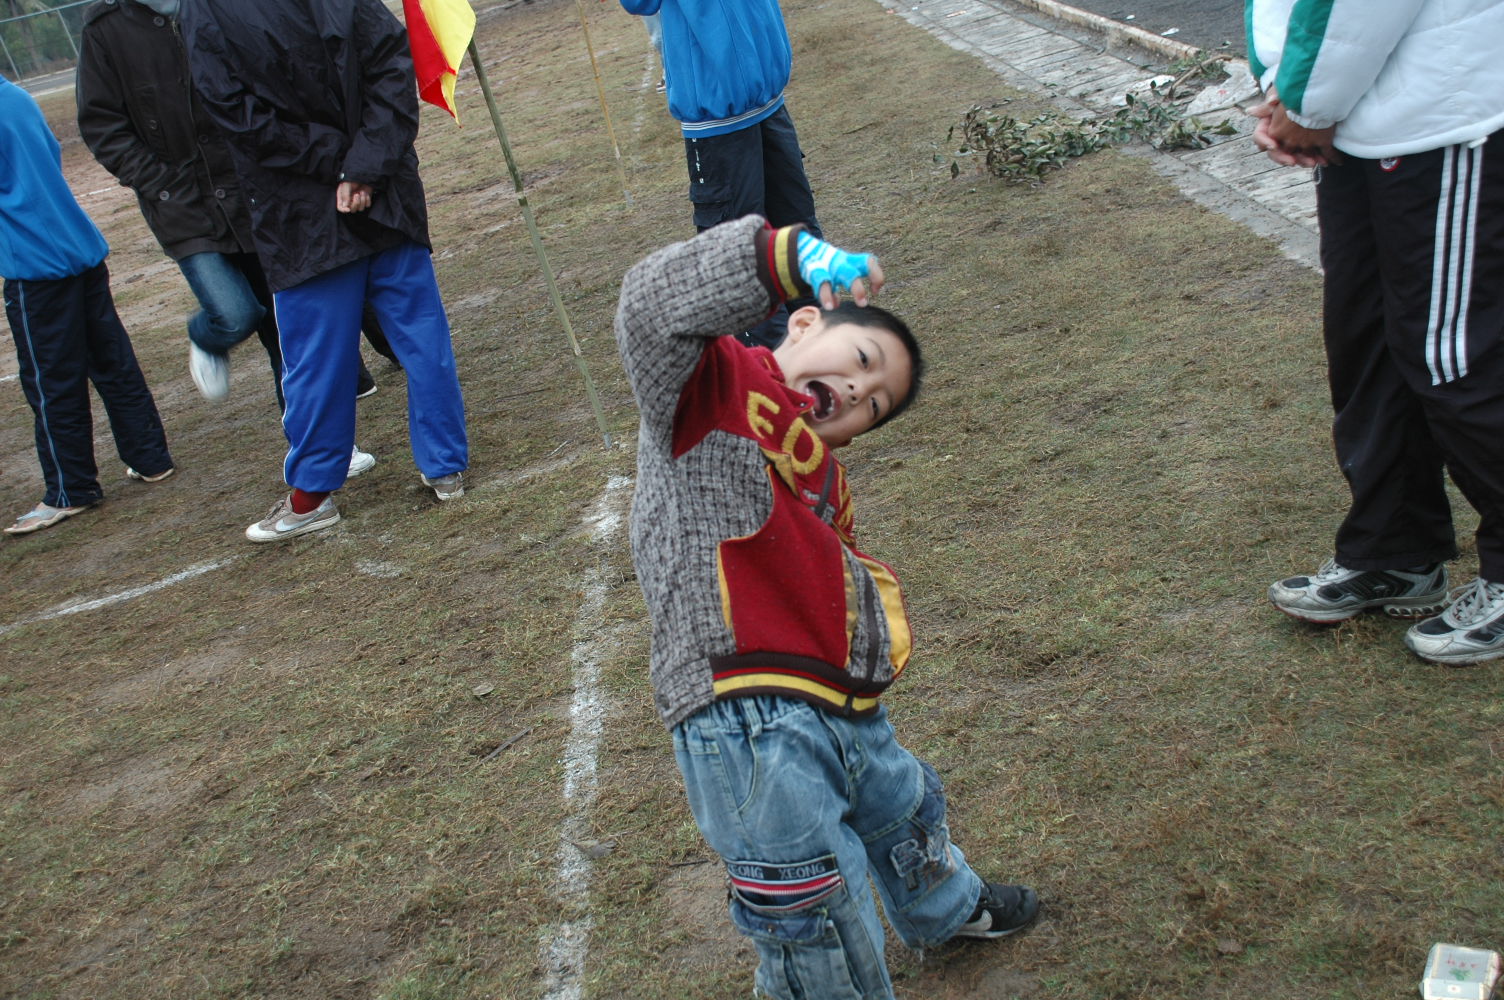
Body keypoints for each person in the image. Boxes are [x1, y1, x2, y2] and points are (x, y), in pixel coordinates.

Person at [615, 214, 1040, 1000]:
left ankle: (945, 909)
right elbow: (649, 304)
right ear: (807, 322)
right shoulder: (709, 385)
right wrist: (782, 255)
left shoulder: (823, 474)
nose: (857, 392)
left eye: (873, 405)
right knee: (814, 901)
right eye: (863, 362)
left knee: (904, 806)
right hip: (741, 708)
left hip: (835, 696)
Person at [1250, 0, 1504, 664]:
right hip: (1356, 119)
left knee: (1453, 357)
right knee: (1368, 345)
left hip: (1441, 113)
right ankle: (1396, 549)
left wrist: (1307, 104)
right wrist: (1286, 91)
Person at [180, 0, 470, 542]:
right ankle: (430, 468)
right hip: (330, 203)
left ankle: (338, 489)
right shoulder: (207, 10)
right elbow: (237, 111)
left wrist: (358, 167)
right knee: (394, 343)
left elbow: (389, 64)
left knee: (337, 357)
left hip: (327, 210)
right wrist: (353, 165)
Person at [75, 0, 380, 479]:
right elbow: (101, 124)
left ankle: (319, 446)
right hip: (183, 208)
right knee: (234, 312)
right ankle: (207, 337)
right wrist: (158, 182)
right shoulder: (105, 27)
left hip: (255, 193)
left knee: (286, 329)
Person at [1, 75, 174, 535]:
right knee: (112, 361)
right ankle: (150, 457)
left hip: (36, 265)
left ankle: (69, 489)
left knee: (50, 380)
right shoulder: (15, 97)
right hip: (77, 247)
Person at [619, 0, 821, 347]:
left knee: (791, 232)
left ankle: (818, 342)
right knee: (745, 251)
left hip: (761, 97)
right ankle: (778, 362)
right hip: (722, 109)